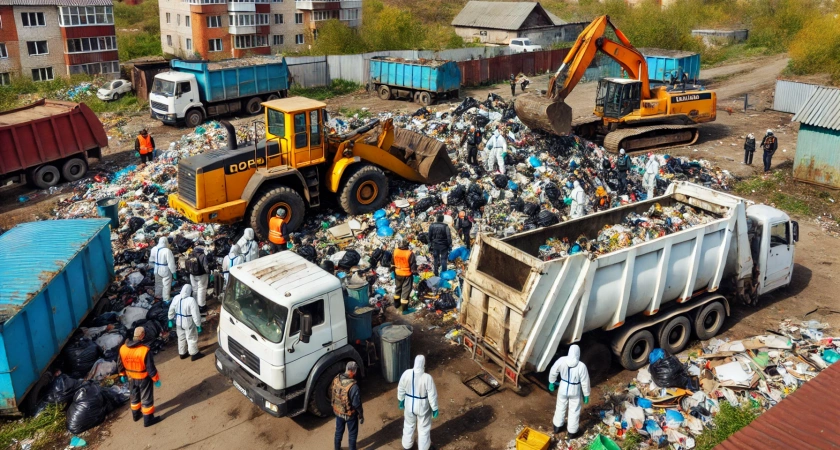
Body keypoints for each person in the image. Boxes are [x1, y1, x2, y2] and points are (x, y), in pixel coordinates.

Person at [118, 327, 162, 427]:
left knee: (134, 396)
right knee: (146, 398)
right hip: (143, 378)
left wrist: (122, 374)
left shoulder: (123, 348)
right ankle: (148, 419)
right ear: (142, 335)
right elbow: (150, 368)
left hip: (130, 378)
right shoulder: (144, 350)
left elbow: (120, 363)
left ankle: (136, 415)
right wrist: (156, 379)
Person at [548, 345, 590, 437]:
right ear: (578, 354)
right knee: (574, 410)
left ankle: (557, 427)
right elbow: (585, 381)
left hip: (563, 386)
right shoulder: (581, 366)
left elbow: (553, 370)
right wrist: (586, 394)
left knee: (560, 406)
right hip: (575, 389)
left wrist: (551, 381)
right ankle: (572, 431)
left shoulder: (562, 360)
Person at [398, 355, 439, 450]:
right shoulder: (427, 378)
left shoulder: (406, 373)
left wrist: (401, 399)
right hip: (422, 406)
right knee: (423, 428)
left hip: (409, 405)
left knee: (408, 425)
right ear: (423, 364)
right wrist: (435, 408)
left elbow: (401, 387)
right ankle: (423, 447)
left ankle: (407, 446)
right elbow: (432, 395)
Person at [332, 361, 364, 450]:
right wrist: (361, 415)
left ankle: (337, 448)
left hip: (338, 412)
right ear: (353, 371)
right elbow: (356, 404)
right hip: (350, 415)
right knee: (352, 435)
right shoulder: (353, 387)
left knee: (338, 432)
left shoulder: (337, 379)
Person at [168, 285, 203, 361]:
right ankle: (194, 353)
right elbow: (195, 314)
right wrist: (198, 325)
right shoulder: (191, 300)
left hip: (178, 321)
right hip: (188, 320)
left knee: (181, 337)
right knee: (191, 337)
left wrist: (170, 319)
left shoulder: (176, 297)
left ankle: (182, 353)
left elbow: (171, 308)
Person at [391, 239, 417, 315]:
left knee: (398, 289)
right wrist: (416, 273)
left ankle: (396, 305)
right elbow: (413, 267)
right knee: (406, 291)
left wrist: (394, 271)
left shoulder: (395, 251)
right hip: (406, 275)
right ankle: (404, 310)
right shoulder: (409, 253)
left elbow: (392, 263)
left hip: (397, 273)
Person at [149, 237, 176, 302]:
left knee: (158, 284)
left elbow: (151, 260)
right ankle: (166, 299)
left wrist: (154, 266)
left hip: (156, 269)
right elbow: (171, 263)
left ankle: (157, 296)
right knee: (166, 285)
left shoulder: (154, 249)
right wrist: (174, 273)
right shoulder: (167, 251)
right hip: (165, 269)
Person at [186, 247, 210, 314]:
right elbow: (206, 267)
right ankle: (201, 306)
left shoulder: (190, 254)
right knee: (201, 289)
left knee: (195, 289)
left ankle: (195, 304)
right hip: (201, 275)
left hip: (192, 275)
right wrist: (208, 273)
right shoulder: (202, 256)